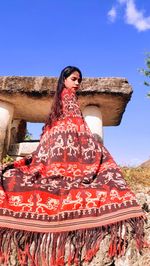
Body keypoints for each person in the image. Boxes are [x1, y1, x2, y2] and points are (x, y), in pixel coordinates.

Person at [0, 66, 145, 266]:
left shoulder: (63, 100)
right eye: (74, 79)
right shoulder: (65, 98)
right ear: (65, 79)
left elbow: (73, 123)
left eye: (79, 80)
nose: (77, 83)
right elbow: (71, 124)